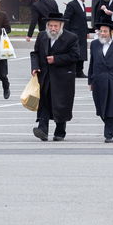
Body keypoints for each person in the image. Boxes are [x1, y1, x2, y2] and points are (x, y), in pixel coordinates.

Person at [30, 10, 80, 141]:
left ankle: (60, 131)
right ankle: (42, 129)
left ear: (61, 26)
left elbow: (75, 56)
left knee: (60, 105)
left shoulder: (71, 37)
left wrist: (56, 59)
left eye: (55, 26)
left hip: (62, 78)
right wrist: (35, 67)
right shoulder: (42, 36)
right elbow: (35, 53)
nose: (53, 28)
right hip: (45, 77)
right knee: (44, 102)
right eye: (50, 26)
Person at [65, 0, 90, 77]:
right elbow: (66, 19)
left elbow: (84, 20)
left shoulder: (82, 4)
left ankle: (80, 71)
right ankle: (74, 70)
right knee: (75, 52)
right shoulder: (71, 5)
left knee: (82, 52)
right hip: (74, 33)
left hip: (82, 33)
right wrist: (67, 33)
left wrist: (87, 31)